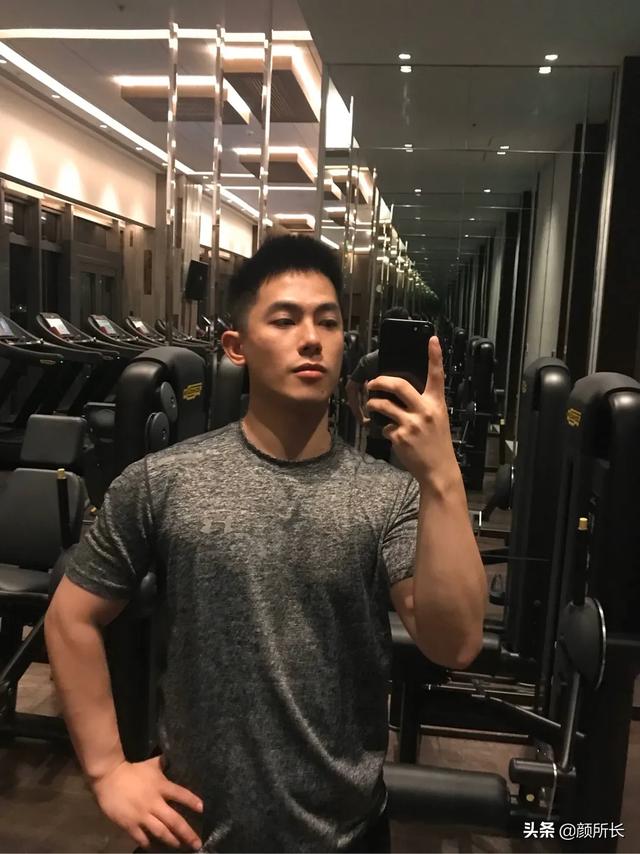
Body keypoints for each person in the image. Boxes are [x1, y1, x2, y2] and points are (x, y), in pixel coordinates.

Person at [44, 235, 487, 853]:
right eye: (284, 320)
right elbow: (70, 618)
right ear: (237, 346)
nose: (311, 339)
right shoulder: (164, 481)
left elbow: (455, 642)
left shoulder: (388, 495)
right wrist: (107, 771)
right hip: (193, 832)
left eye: (327, 322)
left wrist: (442, 477)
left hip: (346, 836)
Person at [345, 307, 410, 462]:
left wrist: (361, 419)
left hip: (378, 434)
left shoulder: (371, 360)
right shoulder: (416, 361)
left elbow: (350, 388)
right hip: (408, 434)